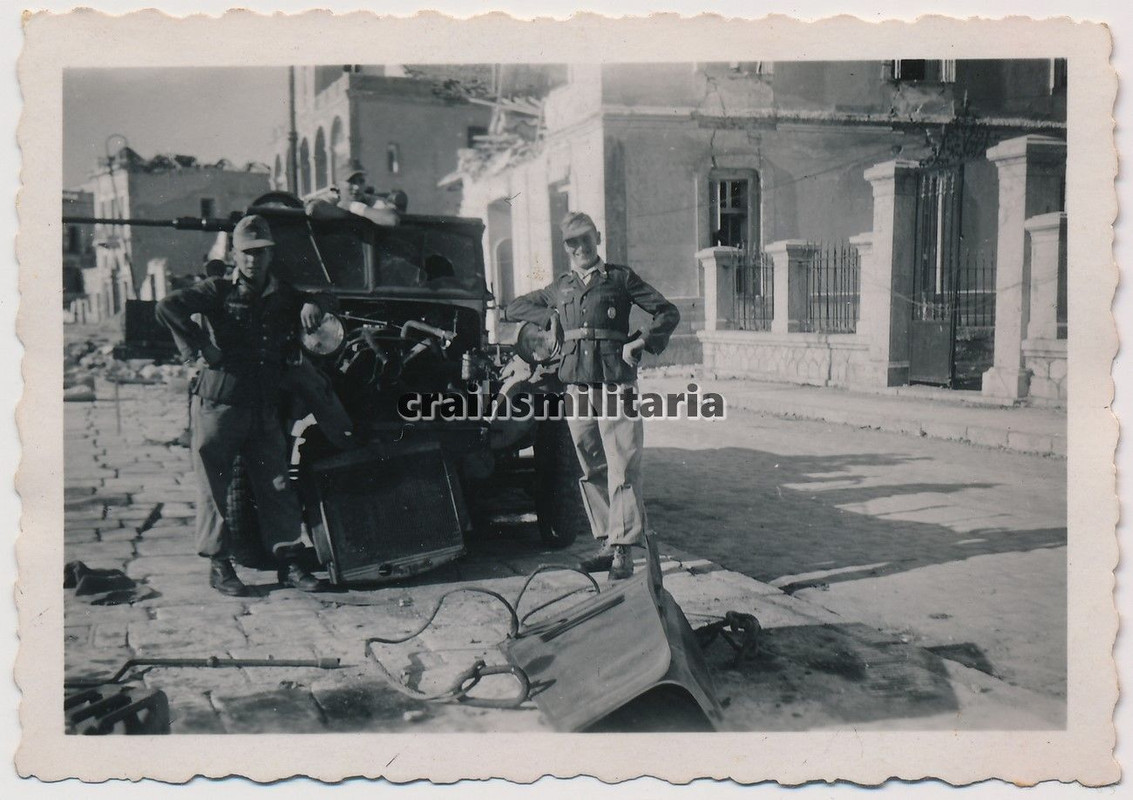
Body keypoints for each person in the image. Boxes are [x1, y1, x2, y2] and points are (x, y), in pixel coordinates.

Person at [156, 214, 335, 596]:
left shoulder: (283, 293)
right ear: (235, 255)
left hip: (263, 407)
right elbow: (168, 306)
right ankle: (219, 565)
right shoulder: (217, 289)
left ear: (271, 255)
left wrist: (312, 303)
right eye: (247, 253)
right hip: (220, 403)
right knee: (214, 486)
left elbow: (326, 296)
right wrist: (201, 348)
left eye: (261, 252)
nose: (253, 260)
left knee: (277, 484)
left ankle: (288, 562)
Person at [506, 212, 680, 580]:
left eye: (586, 238)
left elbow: (667, 311)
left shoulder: (619, 278)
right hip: (576, 386)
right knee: (591, 467)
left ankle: (623, 551)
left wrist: (642, 342)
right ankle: (607, 541)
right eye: (572, 242)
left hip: (616, 382)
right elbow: (514, 307)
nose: (580, 247)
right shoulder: (561, 287)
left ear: (597, 237)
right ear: (565, 247)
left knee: (623, 466)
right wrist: (550, 317)